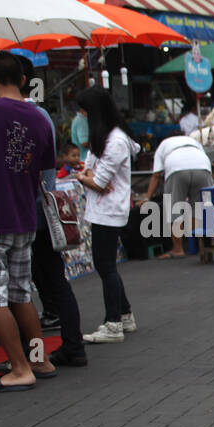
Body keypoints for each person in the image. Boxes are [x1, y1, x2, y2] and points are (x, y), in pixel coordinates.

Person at [0, 51, 59, 391]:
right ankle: (38, 359)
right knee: (21, 292)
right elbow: (45, 169)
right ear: (20, 80)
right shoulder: (41, 119)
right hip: (25, 216)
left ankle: (19, 368)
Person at [74, 86, 139, 343]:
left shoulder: (115, 141)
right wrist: (87, 176)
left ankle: (113, 323)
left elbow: (97, 181)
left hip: (108, 210)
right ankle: (123, 314)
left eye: (85, 111)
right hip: (104, 208)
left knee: (105, 265)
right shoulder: (104, 138)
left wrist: (84, 177)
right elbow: (91, 172)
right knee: (106, 265)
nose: (82, 116)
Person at [144, 132, 212, 258]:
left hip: (177, 169)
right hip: (203, 167)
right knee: (197, 208)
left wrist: (147, 197)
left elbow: (156, 175)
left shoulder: (163, 144)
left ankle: (178, 249)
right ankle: (196, 245)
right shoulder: (193, 141)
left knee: (174, 209)